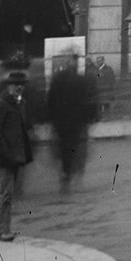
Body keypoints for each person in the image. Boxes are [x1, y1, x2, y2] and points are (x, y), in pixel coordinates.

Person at [0, 72, 34, 242]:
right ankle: (3, 230)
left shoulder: (20, 103)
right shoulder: (1, 105)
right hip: (4, 158)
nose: (19, 87)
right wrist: (6, 153)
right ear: (8, 85)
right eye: (15, 84)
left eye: (22, 84)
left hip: (13, 156)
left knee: (2, 193)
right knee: (6, 194)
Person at [47, 55, 99, 193]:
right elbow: (90, 101)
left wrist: (51, 119)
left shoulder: (57, 80)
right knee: (78, 148)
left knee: (64, 148)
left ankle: (65, 174)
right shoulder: (82, 81)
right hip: (78, 122)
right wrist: (92, 118)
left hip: (61, 122)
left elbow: (50, 101)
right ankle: (76, 177)